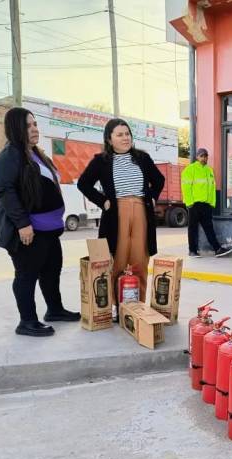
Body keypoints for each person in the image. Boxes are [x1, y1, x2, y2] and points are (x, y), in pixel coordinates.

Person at [0, 107, 80, 337]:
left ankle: (55, 310)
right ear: (16, 128)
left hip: (49, 230)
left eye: (35, 124)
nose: (34, 129)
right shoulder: (9, 156)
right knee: (26, 275)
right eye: (28, 126)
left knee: (51, 271)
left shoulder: (36, 153)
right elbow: (5, 191)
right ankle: (27, 321)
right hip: (29, 230)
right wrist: (23, 224)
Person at [77, 118, 165, 319]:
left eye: (127, 134)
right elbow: (83, 184)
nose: (125, 138)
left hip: (141, 210)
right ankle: (116, 306)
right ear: (109, 139)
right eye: (120, 134)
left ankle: (138, 305)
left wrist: (152, 196)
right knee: (118, 259)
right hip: (117, 213)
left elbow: (159, 180)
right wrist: (103, 201)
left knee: (140, 259)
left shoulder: (142, 158)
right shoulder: (101, 161)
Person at [182, 148, 232, 258]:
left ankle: (217, 249)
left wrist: (212, 203)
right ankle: (192, 251)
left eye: (205, 156)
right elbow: (186, 187)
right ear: (197, 157)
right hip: (194, 204)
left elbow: (212, 188)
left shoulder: (209, 170)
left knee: (209, 228)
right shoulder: (190, 169)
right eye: (202, 156)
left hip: (206, 205)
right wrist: (190, 203)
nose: (204, 158)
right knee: (193, 229)